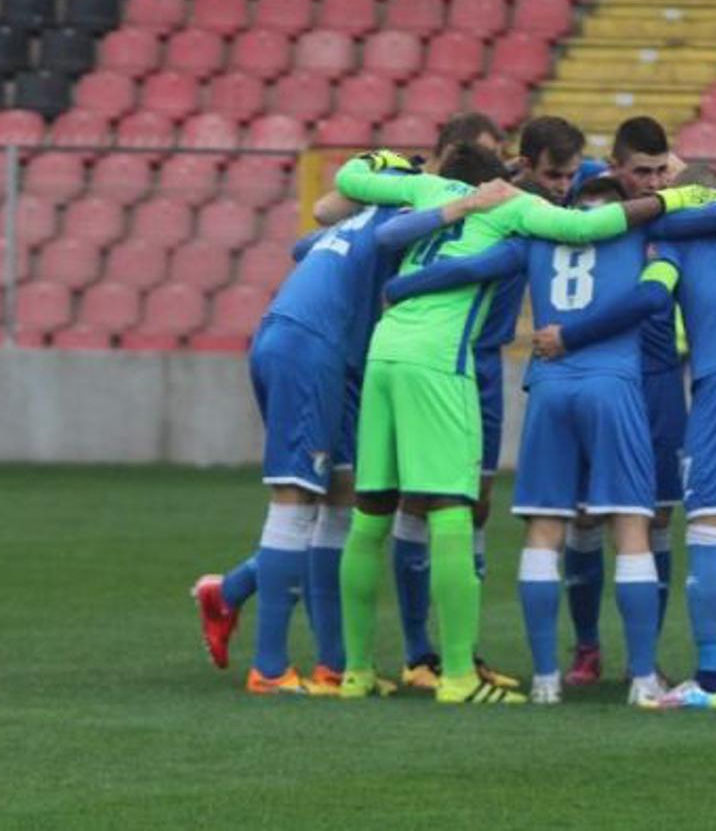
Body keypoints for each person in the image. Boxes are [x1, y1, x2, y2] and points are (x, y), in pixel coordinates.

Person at [377, 177, 716, 706]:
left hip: (550, 388)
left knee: (544, 532)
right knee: (631, 528)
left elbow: (469, 268)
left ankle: (546, 681)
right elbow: (687, 249)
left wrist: (403, 287)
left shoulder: (537, 236)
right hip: (613, 387)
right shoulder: (637, 231)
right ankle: (642, 678)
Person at [330, 143, 716, 703]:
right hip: (553, 377)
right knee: (610, 525)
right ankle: (616, 679)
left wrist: (402, 276)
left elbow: (368, 200)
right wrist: (687, 196)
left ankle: (369, 672)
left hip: (404, 355)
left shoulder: (434, 191)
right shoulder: (553, 217)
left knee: (378, 516)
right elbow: (633, 274)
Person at [190, 176, 512, 695]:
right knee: (296, 502)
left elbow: (304, 246)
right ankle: (269, 669)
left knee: (342, 499)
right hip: (311, 346)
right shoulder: (412, 223)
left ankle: (331, 662)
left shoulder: (371, 218)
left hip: (326, 350)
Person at [535, 168, 716, 709]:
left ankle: (710, 683)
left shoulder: (676, 241)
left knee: (709, 528)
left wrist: (571, 335)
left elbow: (649, 298)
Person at [562, 116, 685, 687]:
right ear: (616, 168)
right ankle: (587, 647)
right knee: (585, 516)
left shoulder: (676, 210)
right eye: (642, 171)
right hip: (595, 371)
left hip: (658, 378)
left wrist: (672, 179)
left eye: (662, 170)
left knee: (657, 516)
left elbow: (705, 186)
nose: (654, 182)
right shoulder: (591, 201)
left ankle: (646, 656)